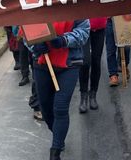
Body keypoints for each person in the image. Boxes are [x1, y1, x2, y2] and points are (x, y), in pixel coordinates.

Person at [31, 18, 90, 160]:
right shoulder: (35, 2)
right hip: (42, 63)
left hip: (70, 64)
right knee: (46, 108)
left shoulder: (75, 2)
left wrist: (64, 40)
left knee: (61, 108)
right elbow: (25, 29)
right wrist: (34, 46)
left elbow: (84, 31)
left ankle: (55, 150)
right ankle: (58, 134)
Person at [78, 0, 107, 113]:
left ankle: (93, 94)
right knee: (85, 61)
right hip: (84, 28)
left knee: (96, 61)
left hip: (100, 28)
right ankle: (83, 96)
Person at [105, 17, 130, 86]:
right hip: (110, 20)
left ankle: (124, 66)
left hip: (124, 19)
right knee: (111, 49)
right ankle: (113, 75)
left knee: (126, 48)